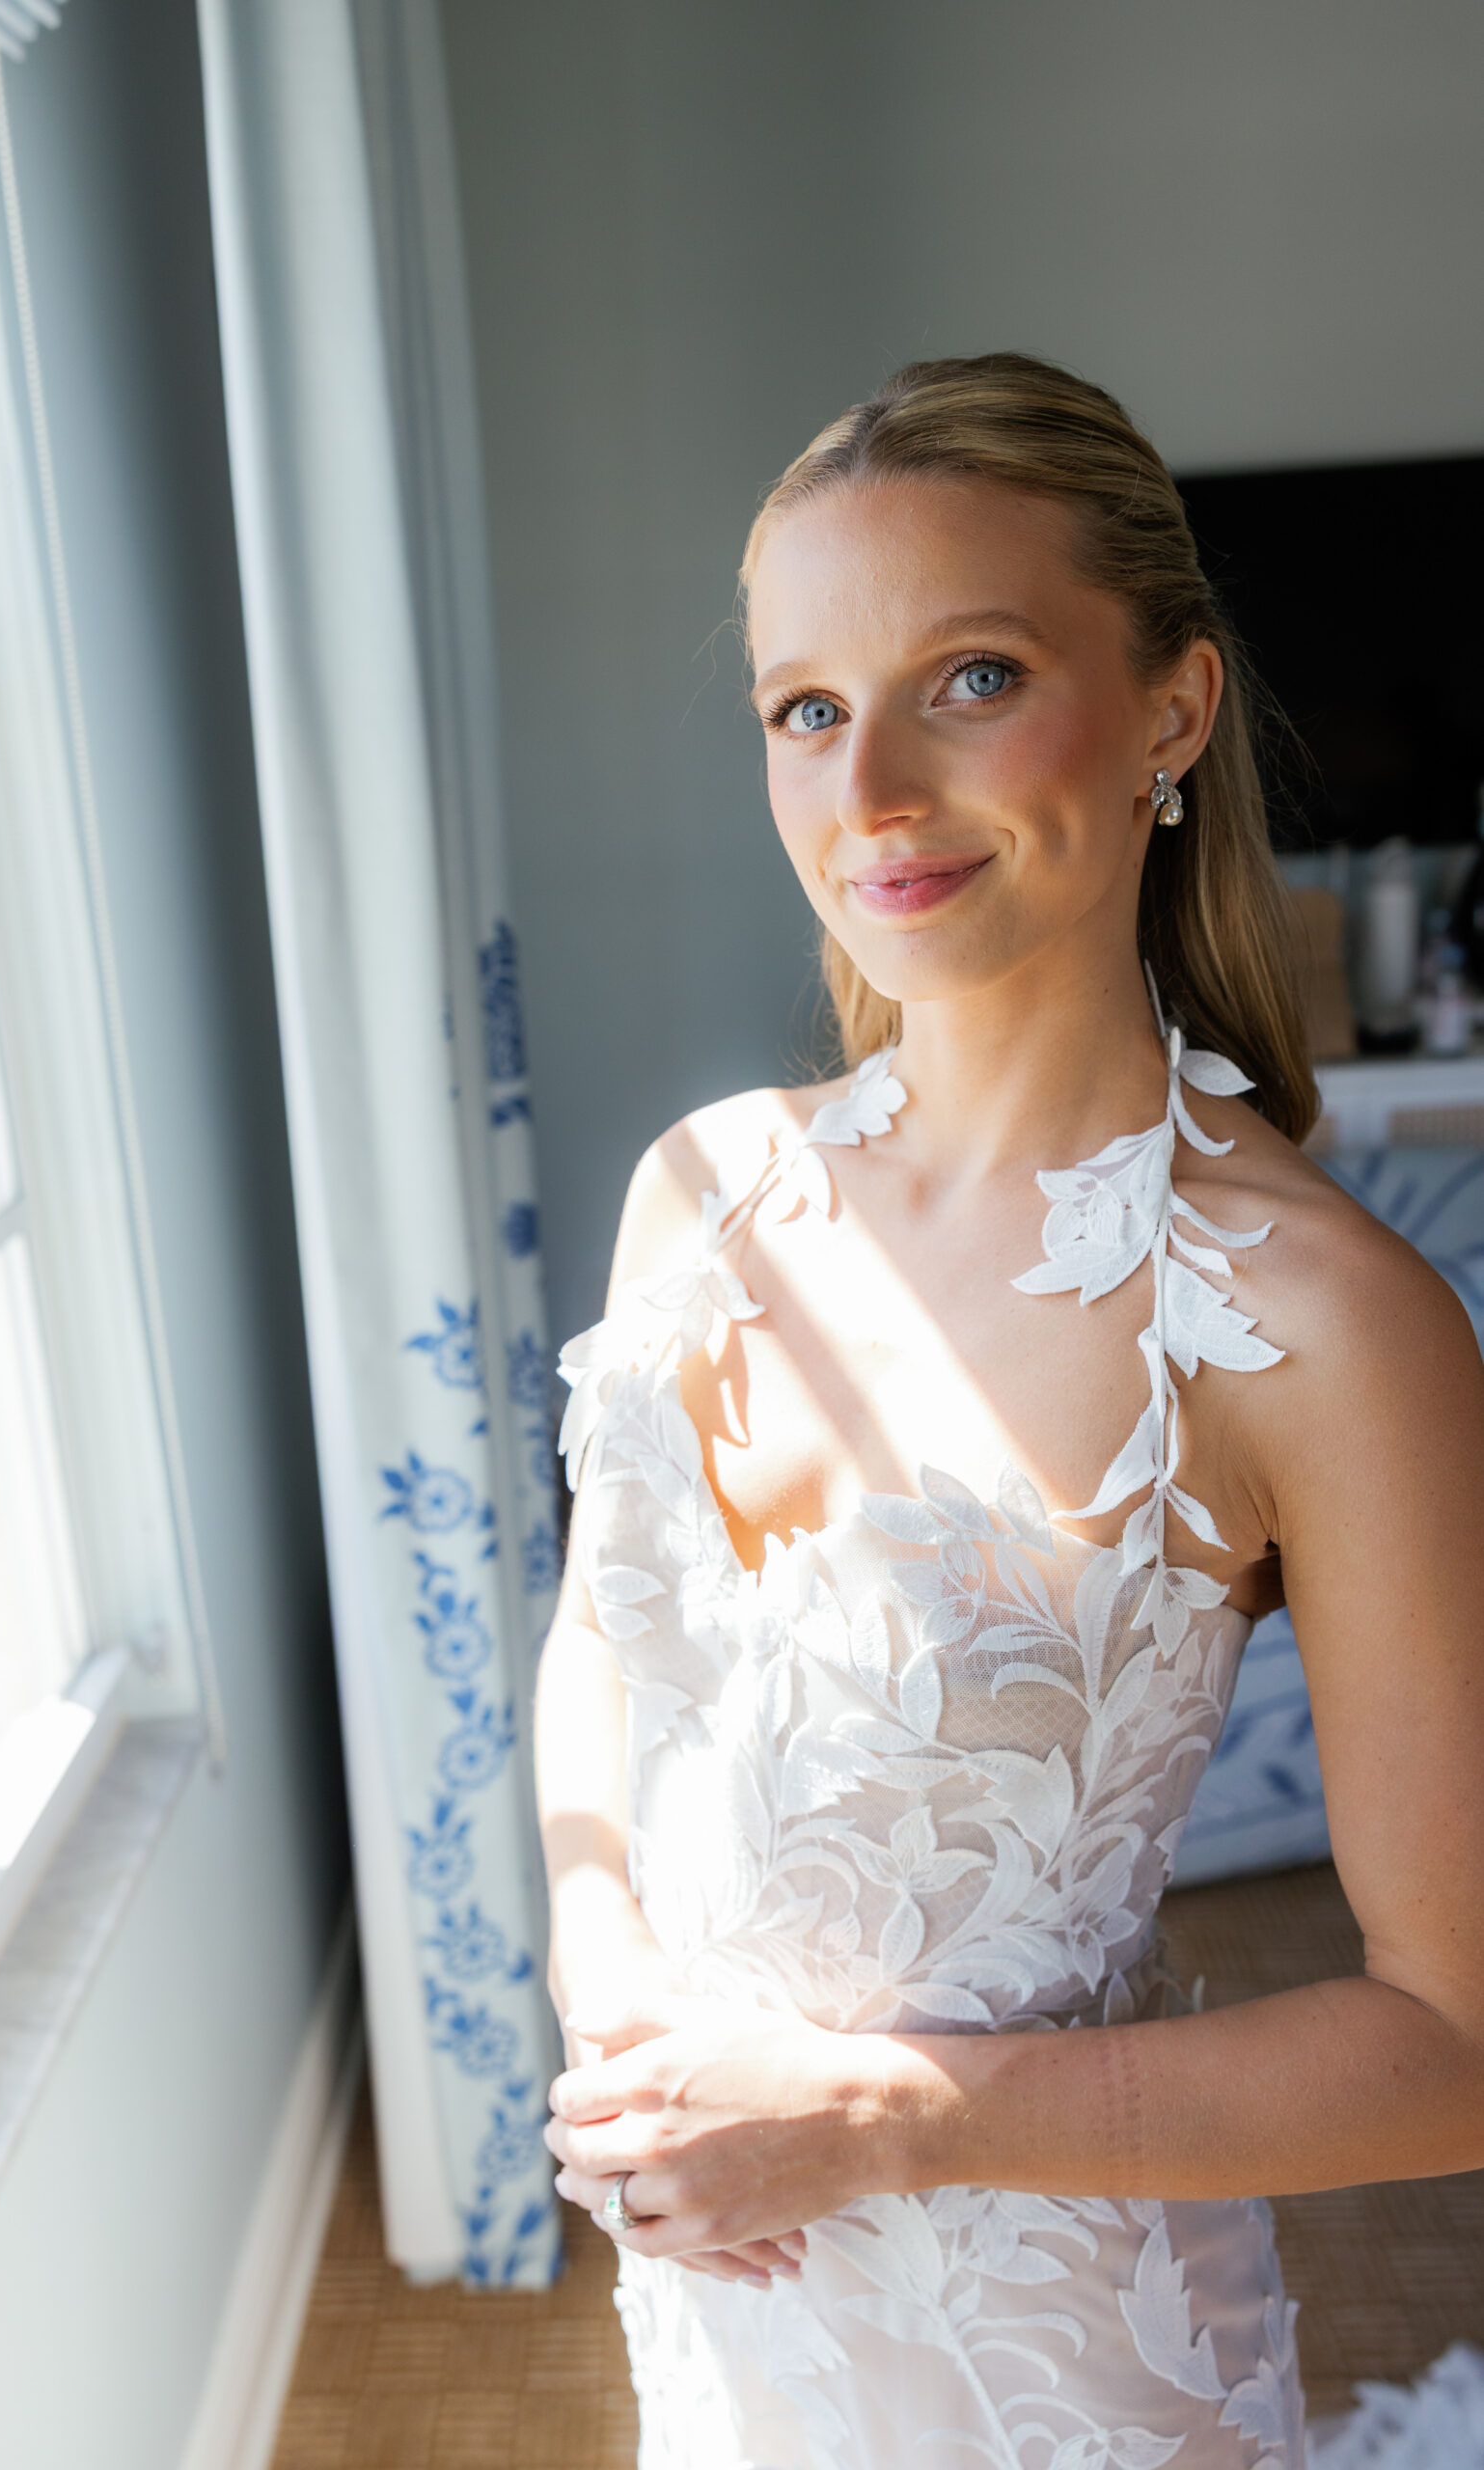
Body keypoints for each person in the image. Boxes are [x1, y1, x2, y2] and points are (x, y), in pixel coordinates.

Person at [533, 353, 1484, 2469]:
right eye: (804, 708)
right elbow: (605, 1637)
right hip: (721, 2324)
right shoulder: (695, 1195)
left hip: (1055, 2377)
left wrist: (883, 2123)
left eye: (967, 678)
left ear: (1171, 711)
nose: (867, 787)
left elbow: (1456, 2041)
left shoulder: (1326, 1326)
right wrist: (609, 1978)